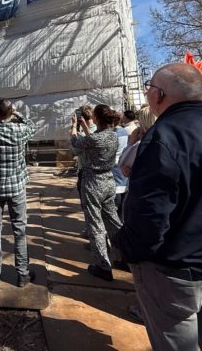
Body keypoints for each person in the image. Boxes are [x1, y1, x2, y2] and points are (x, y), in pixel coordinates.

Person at [112, 63, 202, 351]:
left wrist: (128, 249)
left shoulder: (163, 137)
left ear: (159, 94)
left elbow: (150, 214)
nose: (146, 94)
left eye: (149, 87)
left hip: (175, 271)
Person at [0, 99, 36, 287]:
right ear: (11, 112)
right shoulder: (20, 130)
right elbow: (32, 126)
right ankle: (22, 274)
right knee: (19, 230)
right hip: (16, 186)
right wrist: (17, 114)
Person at [70, 105, 123, 281]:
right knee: (113, 220)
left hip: (93, 182)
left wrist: (73, 127)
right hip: (109, 180)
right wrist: (85, 128)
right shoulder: (113, 135)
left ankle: (102, 264)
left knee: (95, 224)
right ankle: (123, 257)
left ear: (97, 119)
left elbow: (76, 143)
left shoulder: (95, 139)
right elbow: (93, 140)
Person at [69, 105, 95, 238]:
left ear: (81, 118)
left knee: (88, 207)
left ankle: (92, 234)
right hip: (103, 175)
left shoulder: (84, 136)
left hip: (86, 173)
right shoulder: (103, 131)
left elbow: (74, 150)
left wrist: (74, 128)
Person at [118, 106, 157, 178]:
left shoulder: (141, 144)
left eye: (139, 119)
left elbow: (122, 163)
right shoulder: (165, 137)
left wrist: (131, 142)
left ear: (144, 121)